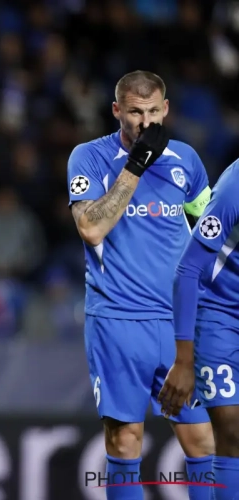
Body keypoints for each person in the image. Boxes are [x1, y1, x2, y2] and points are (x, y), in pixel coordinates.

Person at [67, 70, 214, 499]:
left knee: (203, 439)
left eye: (153, 112)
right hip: (117, 321)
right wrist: (136, 165)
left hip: (178, 323)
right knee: (125, 440)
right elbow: (91, 228)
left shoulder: (186, 160)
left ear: (166, 109)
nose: (145, 122)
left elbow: (210, 231)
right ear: (117, 111)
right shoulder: (89, 157)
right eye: (135, 112)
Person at [159, 158, 239, 498]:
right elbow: (189, 268)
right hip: (222, 315)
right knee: (232, 429)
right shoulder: (235, 183)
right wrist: (183, 360)